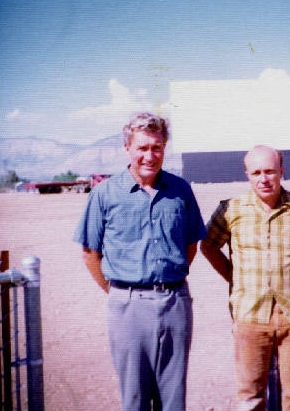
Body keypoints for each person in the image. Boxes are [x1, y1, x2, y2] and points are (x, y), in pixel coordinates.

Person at [73, 111, 207, 411]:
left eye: (156, 147)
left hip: (175, 301)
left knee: (173, 398)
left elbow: (191, 243)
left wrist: (168, 280)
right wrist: (119, 292)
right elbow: (90, 253)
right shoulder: (105, 193)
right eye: (142, 148)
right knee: (134, 397)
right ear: (127, 149)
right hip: (128, 305)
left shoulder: (180, 190)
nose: (150, 155)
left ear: (165, 148)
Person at [200, 145, 290, 411]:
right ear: (247, 175)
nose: (264, 178)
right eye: (256, 172)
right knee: (250, 398)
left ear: (281, 171)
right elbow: (208, 246)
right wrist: (234, 279)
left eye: (270, 171)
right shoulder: (230, 210)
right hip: (250, 315)